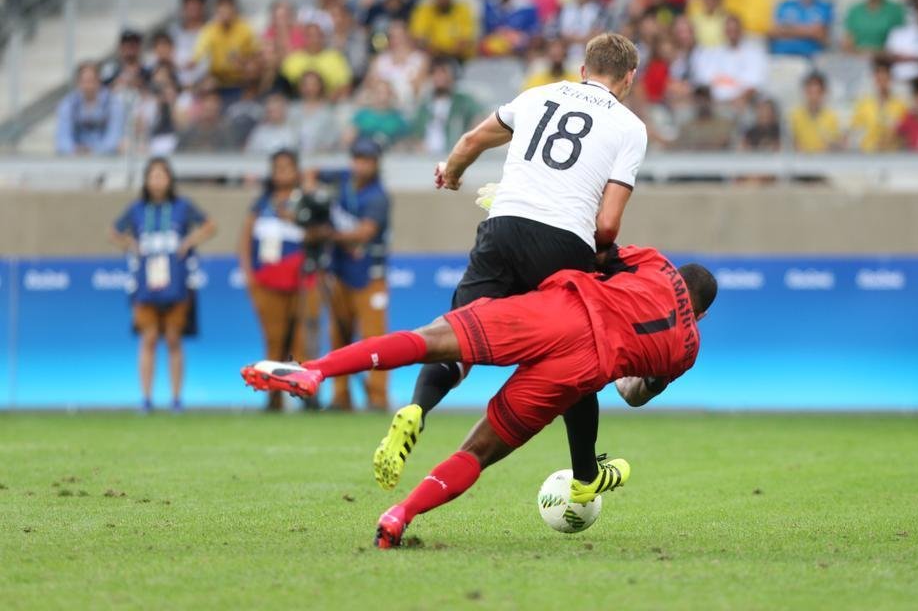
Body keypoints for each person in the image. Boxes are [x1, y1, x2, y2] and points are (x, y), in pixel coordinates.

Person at [240, 244, 717, 548]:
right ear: (701, 315)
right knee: (480, 450)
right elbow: (634, 394)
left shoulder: (654, 262)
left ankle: (314, 371)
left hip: (560, 311)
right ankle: (399, 514)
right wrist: (622, 354)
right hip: (584, 367)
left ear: (678, 273)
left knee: (431, 340)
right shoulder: (688, 348)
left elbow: (595, 249)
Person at [355, 33, 648, 496]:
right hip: (565, 243)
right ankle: (585, 476)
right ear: (629, 78)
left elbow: (473, 139)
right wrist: (598, 251)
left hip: (503, 226)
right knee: (578, 357)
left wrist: (451, 172)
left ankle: (416, 409)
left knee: (458, 334)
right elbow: (608, 225)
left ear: (584, 69)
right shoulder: (629, 127)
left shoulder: (538, 96)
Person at [111, 158, 216, 412]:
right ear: (146, 180)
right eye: (153, 176)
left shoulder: (182, 207)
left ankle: (176, 398)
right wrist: (132, 245)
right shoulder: (137, 209)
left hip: (176, 280)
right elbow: (114, 231)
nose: (157, 180)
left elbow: (210, 225)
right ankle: (146, 398)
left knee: (173, 338)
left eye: (162, 175)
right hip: (145, 282)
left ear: (170, 179)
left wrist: (188, 242)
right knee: (147, 338)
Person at [305, 138, 393, 410]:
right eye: (357, 159)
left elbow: (365, 232)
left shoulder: (378, 195)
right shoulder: (342, 179)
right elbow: (310, 173)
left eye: (367, 160)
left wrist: (327, 234)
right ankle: (340, 396)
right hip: (341, 271)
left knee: (374, 340)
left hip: (370, 274)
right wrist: (310, 191)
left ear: (376, 163)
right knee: (339, 338)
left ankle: (377, 398)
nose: (360, 165)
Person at [238, 149, 316, 411]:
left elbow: (317, 235)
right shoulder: (260, 204)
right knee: (274, 339)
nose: (282, 172)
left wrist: (295, 217)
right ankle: (273, 398)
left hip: (300, 280)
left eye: (288, 167)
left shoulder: (305, 201)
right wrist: (250, 277)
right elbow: (246, 241)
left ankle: (306, 396)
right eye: (278, 167)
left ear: (297, 171)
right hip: (267, 282)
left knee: (300, 340)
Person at [190, 0, 258, 98]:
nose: (225, 13)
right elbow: (200, 49)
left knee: (252, 68)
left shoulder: (245, 28)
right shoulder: (210, 29)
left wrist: (243, 62)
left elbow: (255, 52)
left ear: (234, 9)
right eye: (221, 9)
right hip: (218, 78)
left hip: (240, 77)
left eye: (228, 8)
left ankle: (251, 97)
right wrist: (194, 60)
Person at [691, 15, 767, 105]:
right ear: (724, 32)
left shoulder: (754, 53)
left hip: (742, 102)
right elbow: (704, 80)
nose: (732, 34)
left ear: (741, 31)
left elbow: (754, 85)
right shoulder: (714, 53)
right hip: (714, 102)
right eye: (729, 30)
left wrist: (741, 99)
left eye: (735, 30)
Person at [55, 61, 125, 155]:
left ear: (98, 81)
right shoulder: (68, 104)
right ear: (78, 83)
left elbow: (114, 137)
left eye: (91, 81)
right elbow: (62, 139)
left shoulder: (113, 103)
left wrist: (94, 151)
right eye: (84, 81)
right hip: (74, 158)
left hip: (105, 159)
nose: (88, 86)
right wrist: (75, 150)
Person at [408, 0, 478, 61]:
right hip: (431, 60)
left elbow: (466, 40)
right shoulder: (424, 11)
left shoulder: (463, 10)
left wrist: (441, 50)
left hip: (460, 60)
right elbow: (418, 39)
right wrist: (437, 50)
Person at [280, 14, 353, 98]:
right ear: (304, 37)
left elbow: (346, 85)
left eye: (318, 35)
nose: (314, 39)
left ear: (323, 37)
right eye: (310, 35)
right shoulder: (293, 59)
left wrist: (326, 101)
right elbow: (284, 86)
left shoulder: (335, 57)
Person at [768, 0, 832, 57]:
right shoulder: (785, 5)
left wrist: (787, 29)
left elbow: (821, 34)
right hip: (780, 56)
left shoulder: (824, 6)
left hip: (809, 58)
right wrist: (809, 30)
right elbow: (773, 31)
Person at [848, 55, 907, 152]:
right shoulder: (864, 104)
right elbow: (855, 130)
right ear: (874, 79)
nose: (882, 84)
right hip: (868, 155)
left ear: (890, 79)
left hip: (893, 156)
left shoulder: (900, 106)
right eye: (879, 79)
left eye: (885, 79)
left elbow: (903, 133)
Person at [790, 72, 841, 153]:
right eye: (810, 92)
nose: (813, 97)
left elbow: (834, 144)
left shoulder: (832, 117)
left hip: (824, 161)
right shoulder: (794, 116)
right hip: (800, 161)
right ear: (805, 92)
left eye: (817, 92)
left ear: (824, 93)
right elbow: (792, 143)